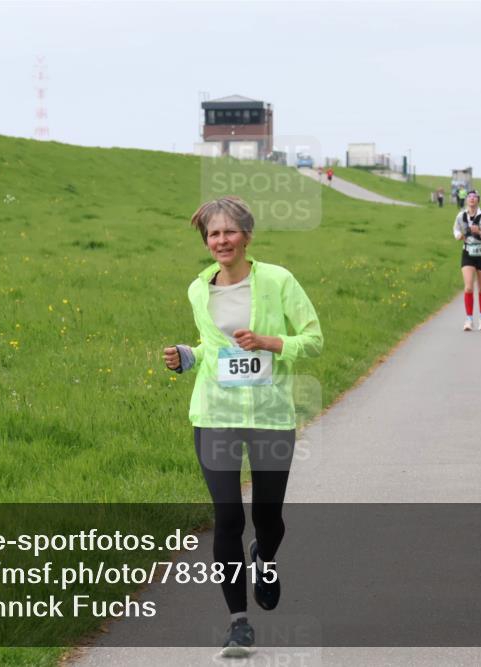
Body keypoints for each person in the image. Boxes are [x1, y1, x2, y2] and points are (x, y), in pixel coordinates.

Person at [163, 196, 323, 657]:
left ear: (247, 236)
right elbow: (212, 350)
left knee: (267, 519)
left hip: (270, 416)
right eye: (213, 234)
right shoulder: (199, 290)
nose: (222, 240)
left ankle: (264, 557)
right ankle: (238, 624)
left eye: (229, 231)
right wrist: (187, 356)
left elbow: (313, 340)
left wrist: (269, 342)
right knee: (229, 517)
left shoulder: (277, 280)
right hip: (215, 415)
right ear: (206, 241)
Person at [453, 190, 481, 331]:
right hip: (468, 253)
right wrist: (458, 235)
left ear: (478, 200)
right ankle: (469, 319)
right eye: (469, 197)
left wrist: (480, 232)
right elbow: (455, 230)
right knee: (468, 287)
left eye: (474, 197)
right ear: (466, 200)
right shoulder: (461, 215)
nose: (472, 199)